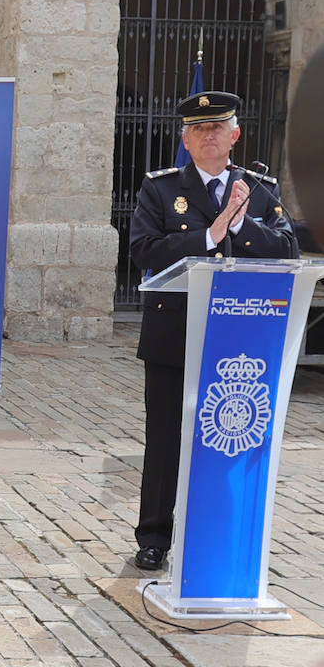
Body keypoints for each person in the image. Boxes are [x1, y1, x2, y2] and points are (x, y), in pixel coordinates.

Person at [129, 90, 298, 571]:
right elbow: (144, 250)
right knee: (165, 439)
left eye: (217, 128)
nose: (208, 136)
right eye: (198, 129)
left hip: (240, 338)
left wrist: (241, 224)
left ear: (235, 135)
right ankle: (155, 537)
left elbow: (285, 250)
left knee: (233, 430)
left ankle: (221, 529)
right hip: (173, 335)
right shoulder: (159, 189)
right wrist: (210, 235)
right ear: (185, 138)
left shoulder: (258, 190)